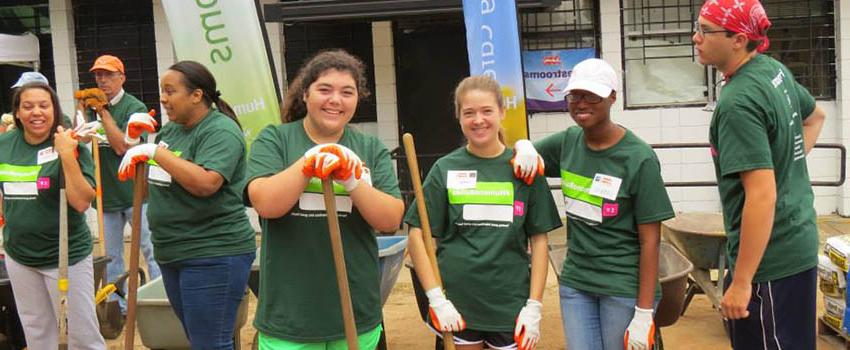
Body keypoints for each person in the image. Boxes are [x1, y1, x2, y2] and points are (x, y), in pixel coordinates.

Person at [246, 49, 404, 349]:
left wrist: (354, 180)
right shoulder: (276, 140)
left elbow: (390, 219)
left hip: (355, 310)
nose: (336, 100)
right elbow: (266, 203)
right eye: (324, 89)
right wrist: (308, 163)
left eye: (347, 92)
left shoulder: (368, 147)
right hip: (290, 313)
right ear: (305, 94)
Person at [692, 1, 826, 348]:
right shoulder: (772, 70)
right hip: (798, 241)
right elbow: (815, 118)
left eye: (706, 30)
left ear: (738, 39)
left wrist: (741, 282)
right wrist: (783, 164)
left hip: (770, 262)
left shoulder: (739, 102)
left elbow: (762, 196)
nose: (696, 37)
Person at [516, 58, 674, 350]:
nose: (581, 103)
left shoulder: (638, 158)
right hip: (577, 283)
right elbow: (522, 158)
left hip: (623, 286)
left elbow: (651, 242)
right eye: (575, 95)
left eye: (592, 96)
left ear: (612, 97)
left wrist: (643, 313)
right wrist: (523, 145)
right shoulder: (568, 142)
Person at [404, 75, 561, 350]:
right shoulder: (445, 169)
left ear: (501, 112)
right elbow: (417, 235)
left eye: (487, 111)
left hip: (510, 307)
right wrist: (436, 299)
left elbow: (539, 240)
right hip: (459, 306)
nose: (479, 120)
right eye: (469, 113)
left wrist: (534, 305)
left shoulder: (524, 170)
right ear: (459, 117)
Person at [118, 60, 256, 348]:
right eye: (162, 92)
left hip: (212, 252)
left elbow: (206, 183)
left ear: (197, 95)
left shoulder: (220, 131)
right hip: (172, 252)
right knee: (198, 339)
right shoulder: (170, 133)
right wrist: (133, 145)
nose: (163, 99)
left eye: (170, 91)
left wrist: (155, 151)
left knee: (210, 343)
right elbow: (144, 192)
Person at [0, 82, 106, 349]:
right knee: (37, 333)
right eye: (28, 106)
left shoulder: (71, 144)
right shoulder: (4, 145)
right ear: (17, 112)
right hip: (20, 255)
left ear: (55, 110)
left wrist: (67, 155)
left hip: (64, 256)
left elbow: (82, 202)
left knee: (83, 337)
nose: (36, 112)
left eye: (44, 106)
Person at [83, 54, 160, 316]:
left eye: (108, 75)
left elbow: (122, 147)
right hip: (106, 197)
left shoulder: (135, 108)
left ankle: (160, 302)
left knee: (152, 250)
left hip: (137, 193)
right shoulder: (89, 108)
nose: (101, 80)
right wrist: (81, 122)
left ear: (122, 77)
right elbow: (79, 144)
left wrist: (103, 112)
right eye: (98, 75)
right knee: (112, 258)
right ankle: (121, 308)